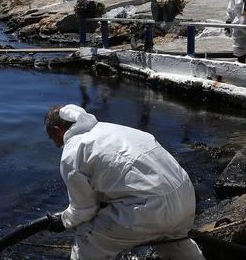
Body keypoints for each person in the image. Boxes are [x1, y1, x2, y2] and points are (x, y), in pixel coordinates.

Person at [44, 104, 205, 260]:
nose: (57, 145)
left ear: (58, 130)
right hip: (185, 199)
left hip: (149, 212)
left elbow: (85, 210)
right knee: (174, 243)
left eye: (54, 139)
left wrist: (64, 221)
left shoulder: (72, 152)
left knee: (88, 241)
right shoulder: (114, 129)